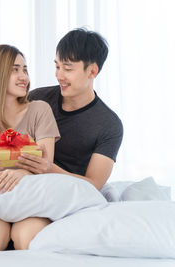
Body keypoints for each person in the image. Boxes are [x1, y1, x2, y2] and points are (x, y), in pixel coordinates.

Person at [0, 44, 60, 250]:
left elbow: (45, 164)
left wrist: (23, 172)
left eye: (25, 69)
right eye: (15, 70)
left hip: (30, 203)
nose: (23, 76)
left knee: (28, 237)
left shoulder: (39, 110)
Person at [17, 28, 123, 191]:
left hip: (67, 195)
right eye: (57, 66)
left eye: (67, 69)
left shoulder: (109, 125)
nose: (59, 75)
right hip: (24, 185)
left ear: (92, 71)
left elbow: (94, 184)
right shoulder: (37, 98)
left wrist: (49, 168)